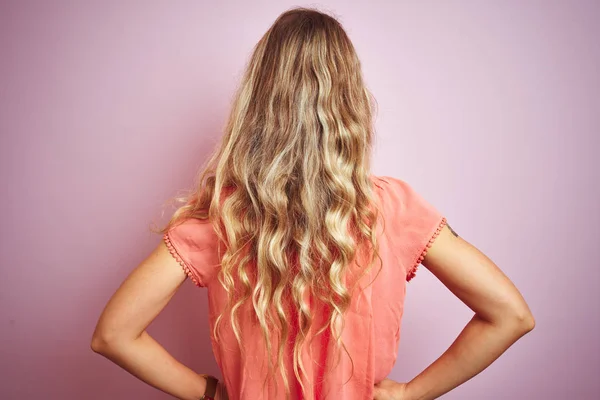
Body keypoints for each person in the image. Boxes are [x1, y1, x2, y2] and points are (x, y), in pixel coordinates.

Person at [91, 7, 535, 400]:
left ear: (256, 105)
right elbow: (510, 315)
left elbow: (113, 335)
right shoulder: (395, 210)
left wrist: (207, 393)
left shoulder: (220, 219)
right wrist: (411, 394)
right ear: (350, 104)